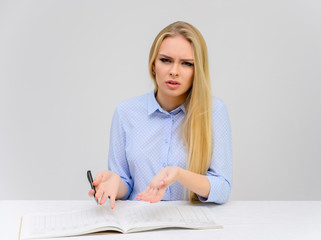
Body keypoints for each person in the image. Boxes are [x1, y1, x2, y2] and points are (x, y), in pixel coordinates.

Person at [88, 21, 232, 209]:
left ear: (197, 71)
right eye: (166, 60)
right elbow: (125, 183)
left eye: (187, 64)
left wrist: (178, 174)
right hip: (140, 224)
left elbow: (222, 188)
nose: (174, 71)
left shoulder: (213, 111)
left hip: (190, 227)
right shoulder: (125, 112)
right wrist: (115, 182)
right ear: (153, 64)